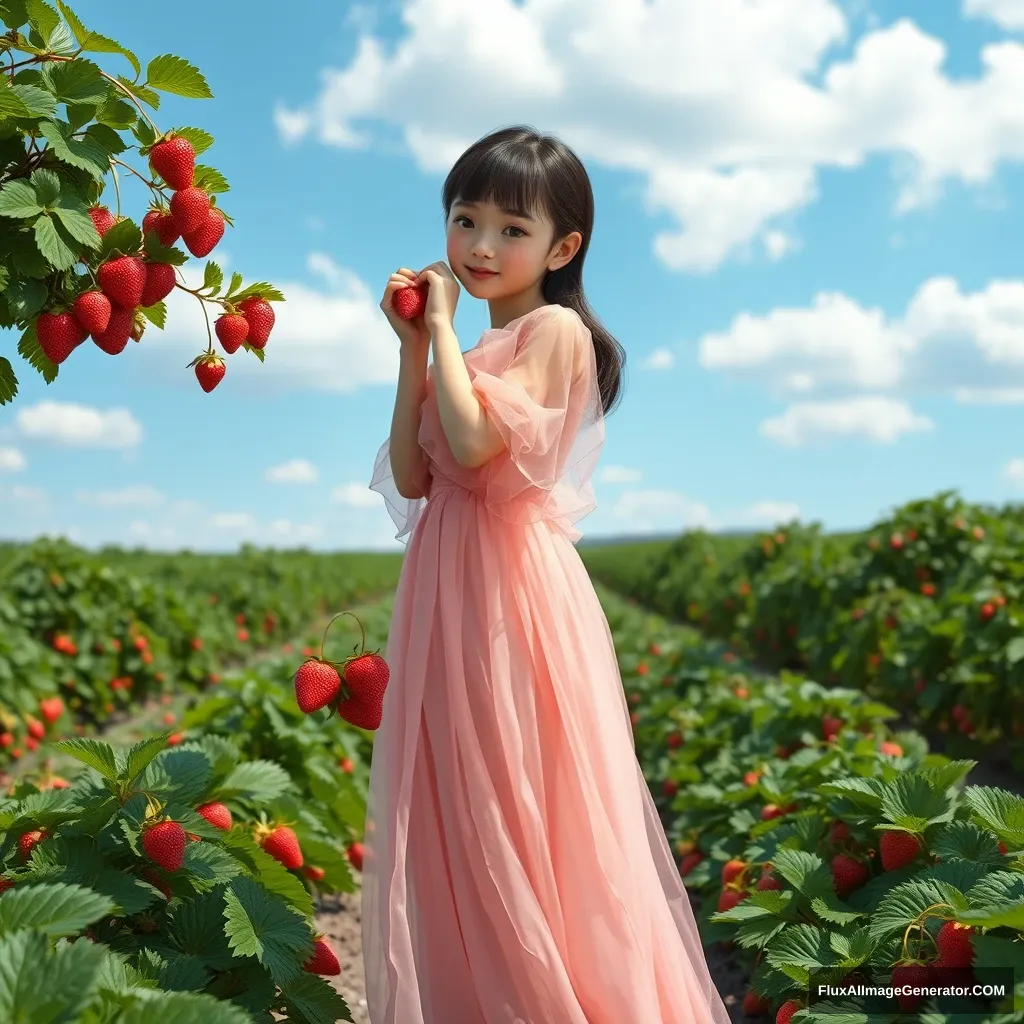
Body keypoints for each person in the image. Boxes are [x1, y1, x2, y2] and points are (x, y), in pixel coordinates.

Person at [364, 124, 730, 1024]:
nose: (482, 247)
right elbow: (413, 478)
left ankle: (558, 998)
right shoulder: (461, 345)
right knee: (456, 795)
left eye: (512, 230)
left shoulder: (557, 333)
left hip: (510, 588)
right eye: (466, 220)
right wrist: (415, 347)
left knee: (521, 793)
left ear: (563, 248)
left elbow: (479, 442)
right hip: (445, 576)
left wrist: (442, 331)